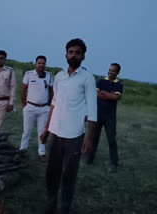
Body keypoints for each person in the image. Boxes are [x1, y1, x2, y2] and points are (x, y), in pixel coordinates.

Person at [40, 38, 97, 214]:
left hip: (75, 135)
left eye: (77, 52)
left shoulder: (87, 78)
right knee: (51, 173)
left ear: (83, 56)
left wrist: (88, 138)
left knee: (68, 175)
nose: (74, 55)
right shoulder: (59, 76)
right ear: (66, 54)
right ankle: (50, 206)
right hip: (55, 132)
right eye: (71, 52)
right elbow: (54, 103)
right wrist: (46, 129)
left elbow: (93, 110)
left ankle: (64, 208)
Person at [86, 63, 123, 173]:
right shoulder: (101, 81)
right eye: (109, 70)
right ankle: (89, 159)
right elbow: (96, 94)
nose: (110, 72)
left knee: (111, 140)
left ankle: (114, 163)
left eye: (113, 70)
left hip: (110, 117)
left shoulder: (119, 85)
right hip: (98, 114)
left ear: (117, 72)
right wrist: (108, 95)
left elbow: (116, 97)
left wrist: (105, 94)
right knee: (94, 138)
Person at [19, 55, 53, 162]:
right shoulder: (29, 74)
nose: (41, 65)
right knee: (26, 131)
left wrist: (48, 103)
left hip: (43, 109)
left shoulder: (49, 76)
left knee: (42, 132)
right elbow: (23, 90)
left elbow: (52, 92)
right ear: (35, 64)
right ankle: (22, 150)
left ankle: (41, 153)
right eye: (39, 63)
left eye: (43, 63)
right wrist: (25, 105)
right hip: (30, 107)